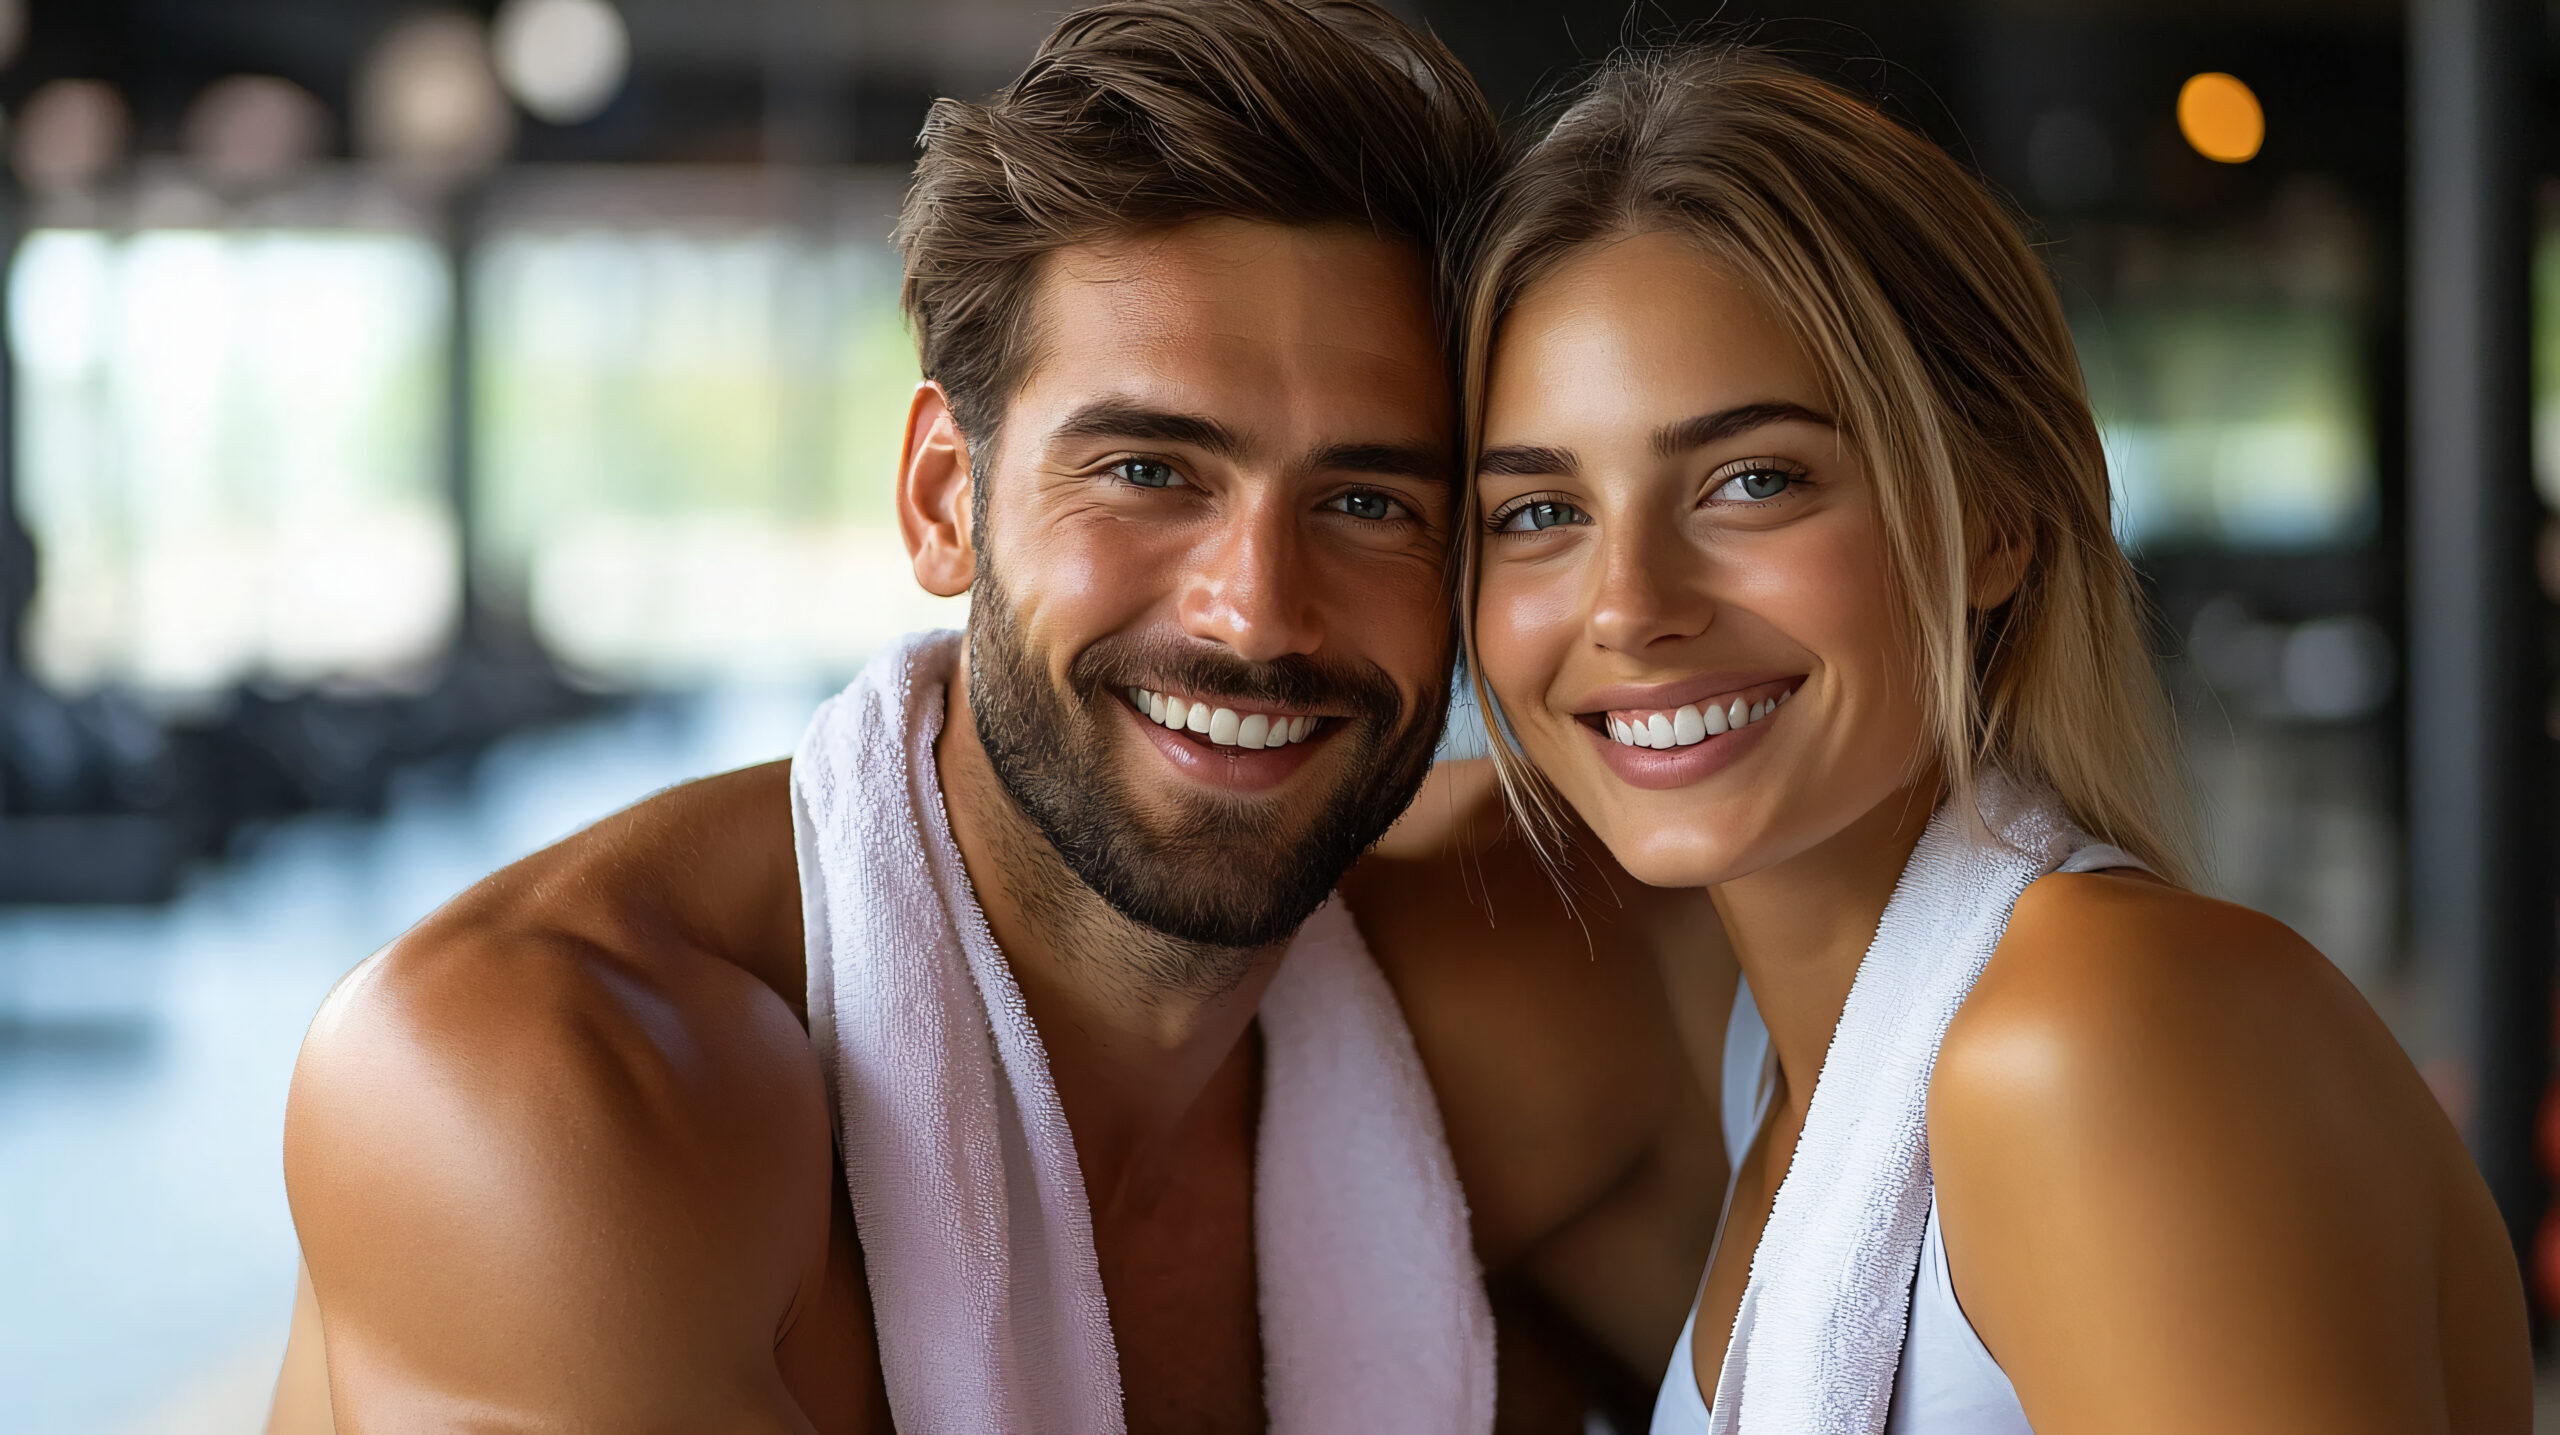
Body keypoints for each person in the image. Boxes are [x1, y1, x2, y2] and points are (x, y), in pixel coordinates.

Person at [267, 5, 1727, 1432]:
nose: (1257, 612)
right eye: (1151, 470)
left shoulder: (1528, 1008)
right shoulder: (540, 1087)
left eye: (1366, 502)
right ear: (943, 499)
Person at [1457, 44, 2532, 1434]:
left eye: (1752, 480)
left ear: (1995, 525)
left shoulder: (2093, 1038)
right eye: (1540, 512)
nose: (1629, 606)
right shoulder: (1785, 1071)